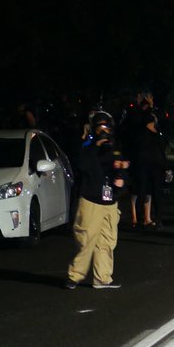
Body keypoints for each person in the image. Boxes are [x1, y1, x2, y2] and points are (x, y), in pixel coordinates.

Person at [65, 110, 127, 289]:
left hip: (110, 201)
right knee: (86, 239)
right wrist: (94, 143)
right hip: (91, 200)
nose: (104, 130)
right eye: (100, 127)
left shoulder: (115, 147)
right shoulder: (87, 146)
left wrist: (121, 179)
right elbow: (82, 165)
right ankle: (74, 276)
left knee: (107, 241)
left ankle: (103, 277)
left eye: (106, 127)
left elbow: (120, 167)